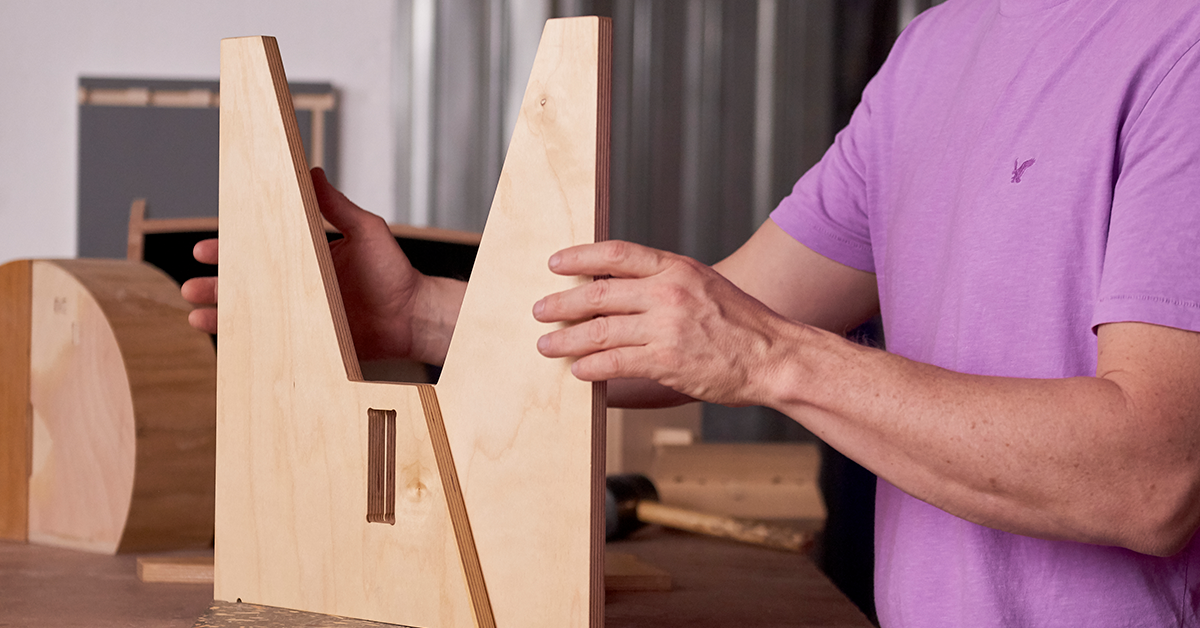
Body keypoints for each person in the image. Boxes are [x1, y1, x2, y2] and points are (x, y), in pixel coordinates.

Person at [185, 0, 1200, 624]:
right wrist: (423, 317)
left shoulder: (1181, 46)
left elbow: (1152, 479)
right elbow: (690, 338)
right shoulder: (933, 53)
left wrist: (766, 357)